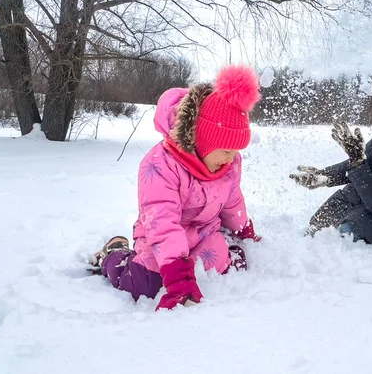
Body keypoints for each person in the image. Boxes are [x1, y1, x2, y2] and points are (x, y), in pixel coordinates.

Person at [89, 65, 262, 310]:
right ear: (203, 140)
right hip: (160, 236)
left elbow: (232, 201)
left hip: (202, 232)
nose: (231, 158)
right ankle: (113, 254)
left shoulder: (230, 164)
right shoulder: (161, 165)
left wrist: (244, 231)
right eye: (225, 150)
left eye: (236, 151)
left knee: (220, 264)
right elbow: (163, 222)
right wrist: (178, 277)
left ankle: (216, 255)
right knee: (147, 284)